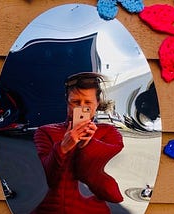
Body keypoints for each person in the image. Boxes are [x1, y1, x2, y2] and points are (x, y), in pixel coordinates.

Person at [31, 72, 124, 214]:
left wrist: (88, 145)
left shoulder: (108, 133)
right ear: (67, 101)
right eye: (75, 102)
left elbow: (113, 193)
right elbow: (48, 179)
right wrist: (63, 148)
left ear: (97, 103)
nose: (81, 108)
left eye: (87, 103)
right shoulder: (45, 132)